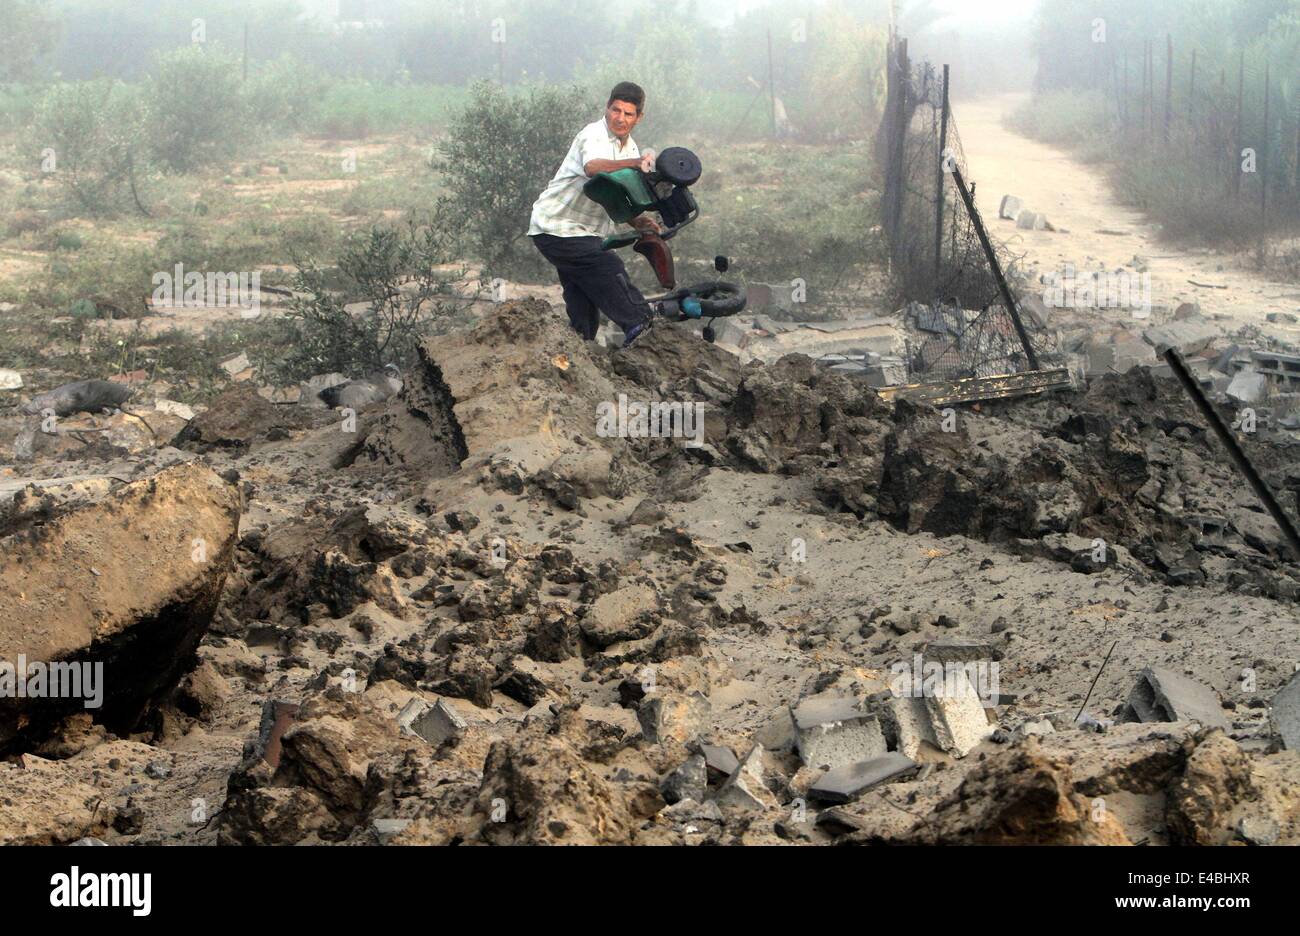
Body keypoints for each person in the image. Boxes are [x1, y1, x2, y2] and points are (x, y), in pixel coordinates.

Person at [528, 81, 661, 346]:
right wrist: (635, 164)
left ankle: (579, 351)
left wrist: (638, 220)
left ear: (639, 117)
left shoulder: (630, 148)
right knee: (607, 266)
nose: (620, 118)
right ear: (607, 107)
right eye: (616, 110)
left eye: (628, 113)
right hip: (557, 226)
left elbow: (613, 196)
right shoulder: (593, 134)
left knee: (583, 300)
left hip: (585, 231)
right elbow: (593, 168)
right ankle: (640, 327)